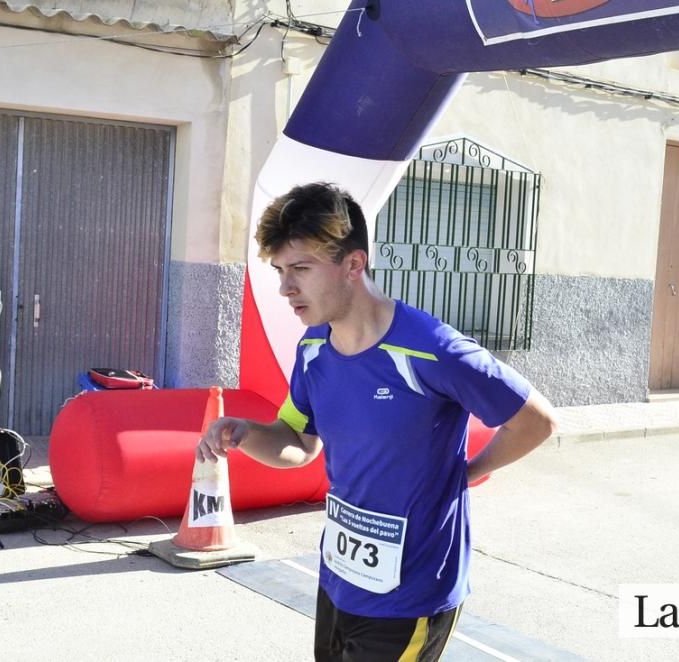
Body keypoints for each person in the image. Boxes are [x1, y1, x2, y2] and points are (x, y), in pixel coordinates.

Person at [197, 182, 557, 661]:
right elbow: (299, 443)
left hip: (411, 594)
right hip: (338, 581)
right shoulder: (312, 350)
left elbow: (536, 421)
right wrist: (245, 434)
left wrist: (461, 475)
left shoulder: (432, 348)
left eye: (301, 268)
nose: (285, 287)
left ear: (353, 264)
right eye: (281, 270)